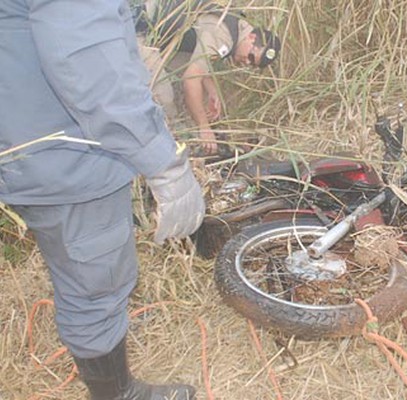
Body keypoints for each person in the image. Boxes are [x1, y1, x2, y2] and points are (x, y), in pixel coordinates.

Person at [0, 0, 206, 398]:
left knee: (78, 266)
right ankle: (118, 391)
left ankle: (105, 332)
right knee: (95, 285)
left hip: (25, 143)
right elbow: (89, 63)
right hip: (67, 159)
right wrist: (163, 162)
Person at [134, 0, 282, 155]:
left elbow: (202, 59)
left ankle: (191, 136)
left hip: (166, 38)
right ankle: (168, 150)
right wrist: (203, 128)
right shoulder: (224, 35)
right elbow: (190, 80)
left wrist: (212, 90)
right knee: (164, 97)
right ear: (251, 38)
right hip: (142, 30)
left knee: (203, 91)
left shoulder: (237, 24)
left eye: (252, 64)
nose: (246, 62)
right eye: (250, 57)